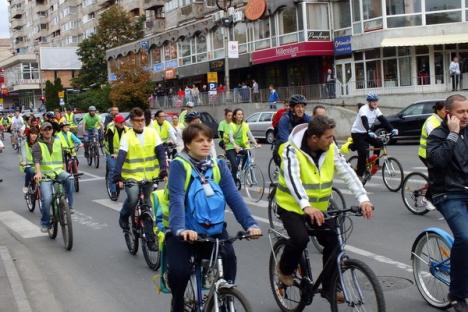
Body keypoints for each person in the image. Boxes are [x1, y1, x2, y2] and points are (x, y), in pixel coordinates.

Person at [275, 115, 373, 301]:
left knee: (333, 240)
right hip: (291, 206)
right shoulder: (291, 150)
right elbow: (293, 179)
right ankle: (284, 270)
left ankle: (329, 287)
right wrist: (306, 206)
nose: (332, 140)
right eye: (328, 137)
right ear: (314, 139)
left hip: (319, 208)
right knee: (300, 239)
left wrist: (363, 198)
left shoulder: (330, 148)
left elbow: (346, 171)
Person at [165, 123, 262, 312]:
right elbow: (176, 199)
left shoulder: (218, 165)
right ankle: (177, 305)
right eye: (199, 140)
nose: (206, 144)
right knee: (180, 272)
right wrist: (180, 229)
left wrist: (250, 224)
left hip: (213, 229)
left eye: (209, 140)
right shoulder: (179, 165)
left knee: (229, 257)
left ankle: (226, 298)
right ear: (187, 144)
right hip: (185, 231)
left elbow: (233, 197)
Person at [427, 94, 468, 312]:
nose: (466, 116)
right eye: (461, 112)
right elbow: (438, 162)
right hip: (448, 194)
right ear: (449, 113)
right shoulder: (438, 134)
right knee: (465, 237)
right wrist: (453, 134)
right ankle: (457, 294)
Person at [113, 107, 168, 251]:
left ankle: (150, 239)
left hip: (149, 176)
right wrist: (117, 175)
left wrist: (163, 170)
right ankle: (124, 217)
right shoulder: (127, 136)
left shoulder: (152, 133)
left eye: (142, 120)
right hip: (131, 176)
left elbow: (161, 152)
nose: (140, 123)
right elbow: (121, 157)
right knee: (132, 198)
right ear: (131, 122)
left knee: (147, 206)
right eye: (137, 121)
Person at [33, 122, 74, 232]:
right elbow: (36, 161)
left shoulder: (57, 142)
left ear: (52, 131)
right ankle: (45, 222)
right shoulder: (37, 145)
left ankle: (69, 205)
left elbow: (62, 159)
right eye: (45, 129)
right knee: (46, 199)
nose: (48, 131)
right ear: (41, 131)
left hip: (58, 172)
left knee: (69, 178)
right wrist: (38, 173)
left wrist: (65, 172)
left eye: (49, 129)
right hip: (45, 175)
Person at [350, 92, 397, 182]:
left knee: (379, 143)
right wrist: (369, 130)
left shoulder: (376, 110)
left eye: (376, 101)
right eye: (373, 101)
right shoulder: (363, 109)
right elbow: (365, 121)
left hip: (366, 132)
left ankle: (375, 164)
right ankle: (359, 174)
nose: (375, 103)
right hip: (357, 133)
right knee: (363, 152)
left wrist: (392, 129)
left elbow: (383, 120)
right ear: (369, 102)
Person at [225, 108, 259, 182]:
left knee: (248, 153)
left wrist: (256, 143)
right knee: (234, 166)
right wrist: (235, 145)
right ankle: (233, 182)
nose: (241, 116)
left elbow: (250, 135)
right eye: (239, 114)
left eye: (242, 114)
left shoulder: (245, 125)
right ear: (234, 116)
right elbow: (231, 138)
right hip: (231, 147)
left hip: (241, 146)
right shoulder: (231, 125)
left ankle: (243, 169)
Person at [104, 114, 128, 198]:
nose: (122, 124)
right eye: (120, 122)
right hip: (111, 152)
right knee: (113, 170)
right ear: (116, 123)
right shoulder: (111, 129)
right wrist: (112, 154)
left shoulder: (126, 129)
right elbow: (110, 143)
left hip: (122, 152)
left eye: (123, 122)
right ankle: (113, 191)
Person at [20, 127, 39, 194]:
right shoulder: (24, 142)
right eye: (32, 134)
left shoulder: (39, 142)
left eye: (36, 134)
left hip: (37, 164)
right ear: (29, 134)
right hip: (27, 164)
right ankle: (26, 185)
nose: (34, 135)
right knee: (31, 171)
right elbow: (23, 153)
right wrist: (24, 161)